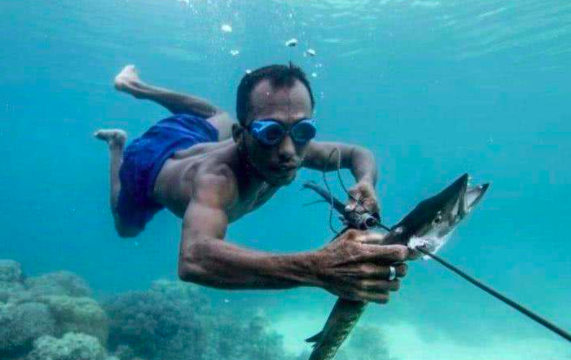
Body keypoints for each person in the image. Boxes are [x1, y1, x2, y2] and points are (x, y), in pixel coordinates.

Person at [94, 64, 413, 304]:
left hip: (189, 134)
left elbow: (358, 154)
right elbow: (194, 260)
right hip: (147, 165)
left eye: (302, 131)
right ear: (241, 137)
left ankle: (136, 86)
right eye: (270, 133)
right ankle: (116, 146)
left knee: (217, 115)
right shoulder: (218, 180)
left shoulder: (292, 148)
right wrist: (317, 267)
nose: (288, 151)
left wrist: (366, 182)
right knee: (126, 228)